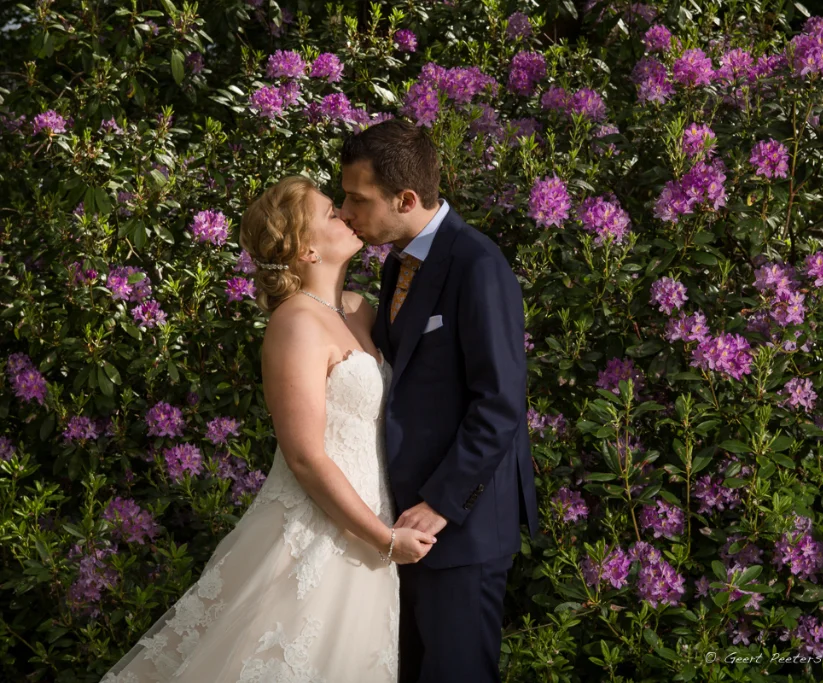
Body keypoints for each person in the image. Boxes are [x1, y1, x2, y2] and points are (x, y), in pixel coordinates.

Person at [101, 175, 435, 682]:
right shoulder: (295, 322)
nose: (346, 214)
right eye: (330, 212)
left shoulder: (361, 310)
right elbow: (305, 456)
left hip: (372, 524)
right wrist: (383, 539)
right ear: (305, 249)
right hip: (321, 530)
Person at [340, 118, 539, 683]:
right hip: (407, 524)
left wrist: (442, 503)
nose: (346, 210)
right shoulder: (397, 261)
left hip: (459, 524)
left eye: (358, 198)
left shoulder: (477, 264)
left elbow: (499, 403)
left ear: (405, 198)